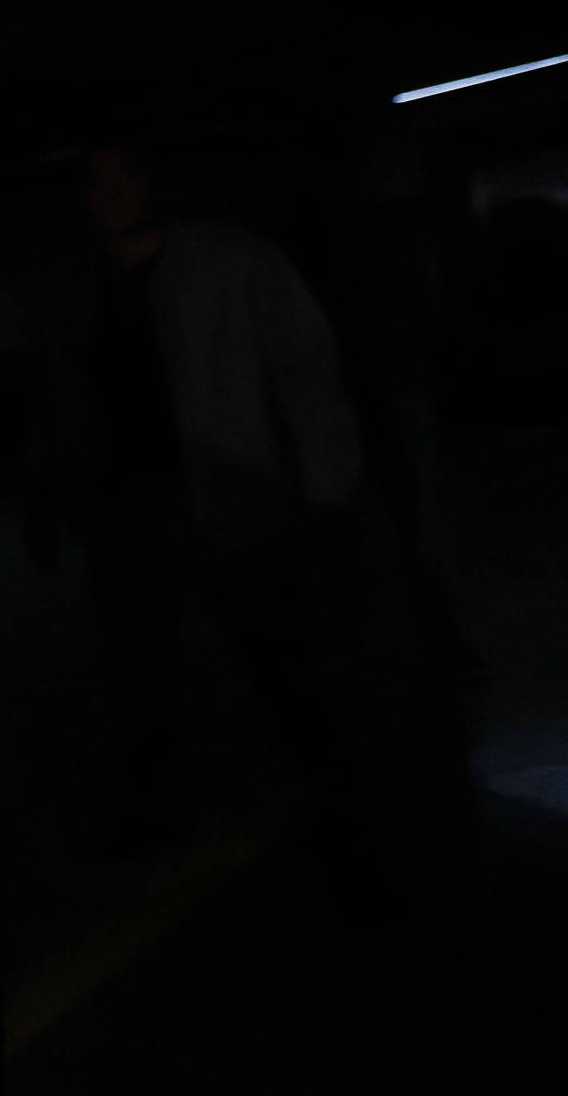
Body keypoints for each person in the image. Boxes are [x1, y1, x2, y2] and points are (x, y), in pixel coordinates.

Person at [30, 145, 368, 859]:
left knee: (277, 656)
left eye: (124, 176)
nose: (108, 194)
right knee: (141, 674)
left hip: (230, 497)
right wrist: (59, 492)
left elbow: (304, 372)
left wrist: (326, 488)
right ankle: (159, 811)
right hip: (128, 508)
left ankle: (339, 790)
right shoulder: (78, 280)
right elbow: (64, 395)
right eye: (95, 181)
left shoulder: (231, 262)